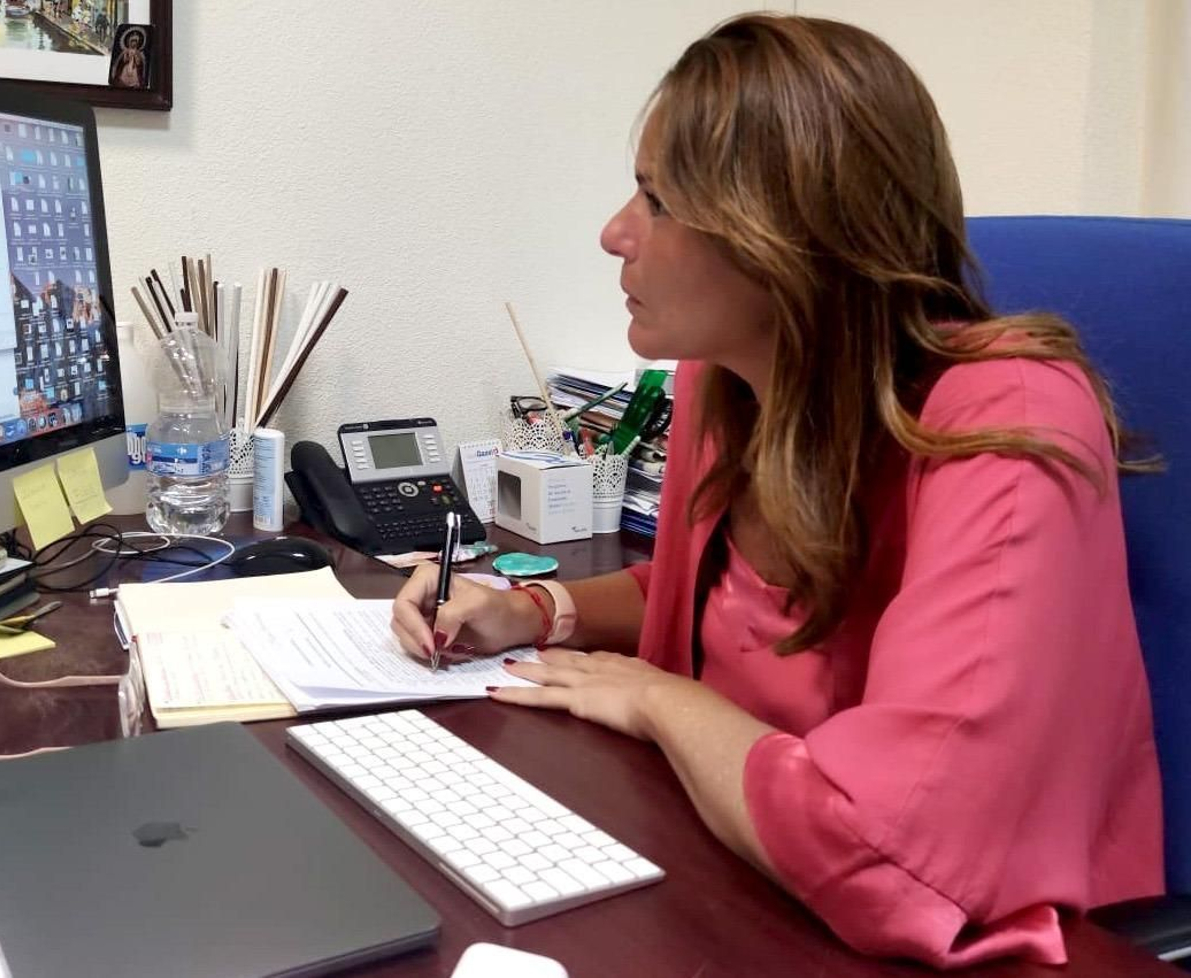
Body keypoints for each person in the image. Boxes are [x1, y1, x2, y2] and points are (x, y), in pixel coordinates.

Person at [389, 13, 1162, 969]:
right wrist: (529, 611)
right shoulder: (728, 383)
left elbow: (890, 847)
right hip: (741, 878)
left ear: (785, 232)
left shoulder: (1010, 421)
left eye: (658, 200)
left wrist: (662, 704)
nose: (614, 233)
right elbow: (717, 603)